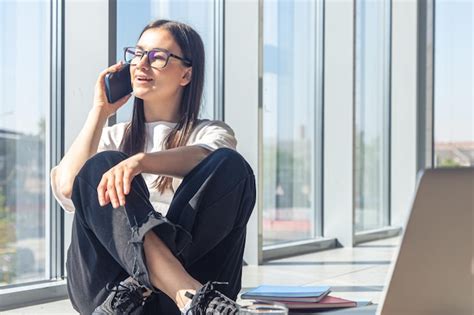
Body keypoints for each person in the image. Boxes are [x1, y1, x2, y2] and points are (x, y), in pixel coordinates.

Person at [50, 19, 256, 315]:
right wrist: (99, 111)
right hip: (114, 296)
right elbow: (69, 188)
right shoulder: (113, 137)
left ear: (186, 73)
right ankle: (190, 297)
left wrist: (141, 161)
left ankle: (180, 293)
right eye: (137, 54)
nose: (141, 64)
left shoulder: (211, 133)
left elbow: (208, 157)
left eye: (157, 56)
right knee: (102, 165)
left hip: (190, 286)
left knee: (231, 165)